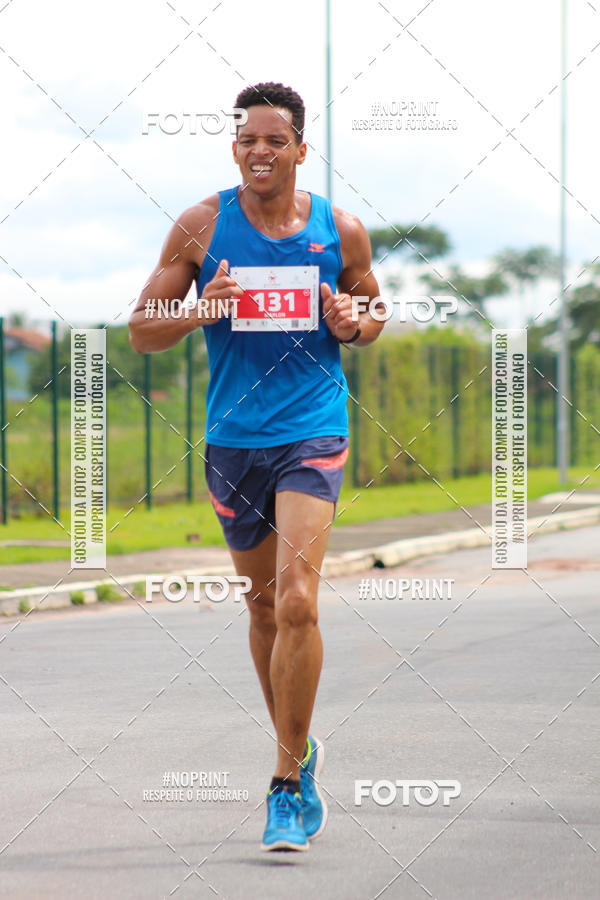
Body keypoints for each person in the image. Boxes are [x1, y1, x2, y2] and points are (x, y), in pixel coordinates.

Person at [129, 81, 384, 851]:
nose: (261, 151)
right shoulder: (202, 226)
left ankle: (283, 784)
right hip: (235, 439)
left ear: (301, 148)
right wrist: (198, 310)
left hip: (312, 430)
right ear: (234, 148)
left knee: (299, 598)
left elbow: (373, 311)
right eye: (248, 140)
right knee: (265, 609)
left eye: (276, 140)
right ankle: (300, 752)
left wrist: (352, 321)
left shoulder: (341, 229)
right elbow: (141, 330)